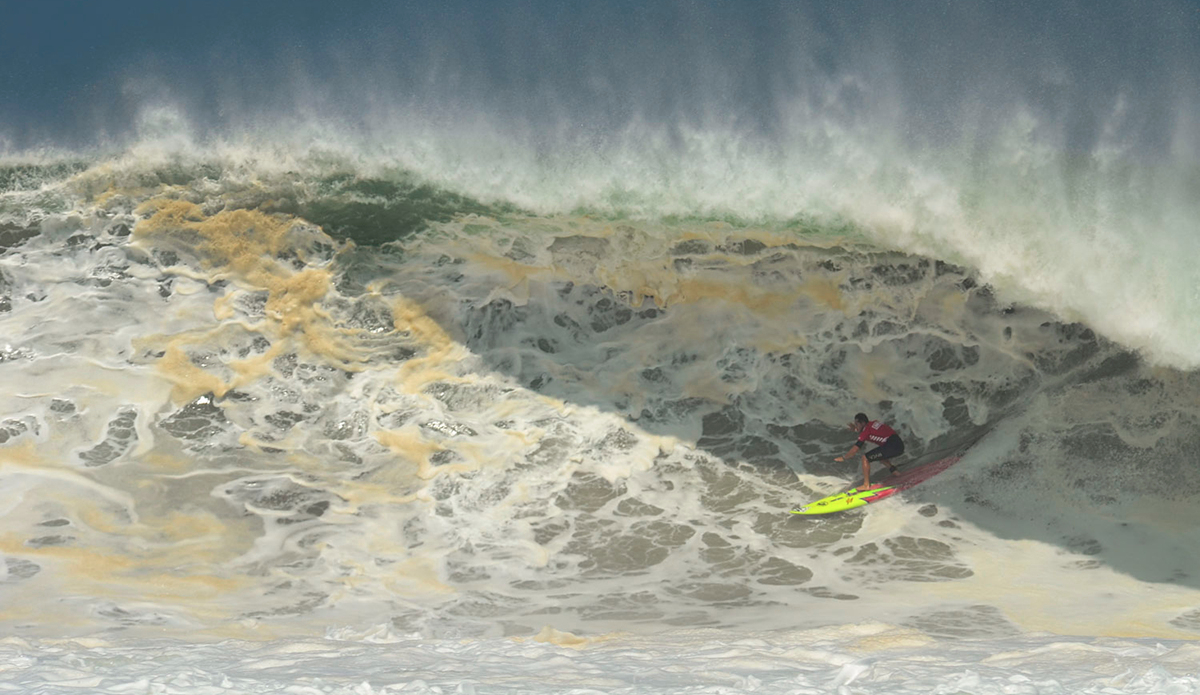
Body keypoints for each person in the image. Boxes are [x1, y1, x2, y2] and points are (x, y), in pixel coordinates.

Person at [834, 413, 905, 488]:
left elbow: (854, 450)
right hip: (898, 444)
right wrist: (856, 429)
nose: (856, 426)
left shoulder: (866, 432)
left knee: (865, 458)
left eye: (857, 424)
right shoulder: (873, 423)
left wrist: (844, 457)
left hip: (892, 447)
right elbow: (873, 431)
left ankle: (866, 485)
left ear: (863, 423)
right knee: (880, 455)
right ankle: (895, 471)